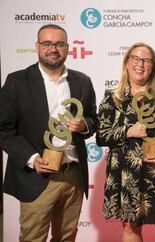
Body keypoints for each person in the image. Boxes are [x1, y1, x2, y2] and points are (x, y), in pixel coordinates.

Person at [0, 24, 97, 241]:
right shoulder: (17, 81)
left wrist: (83, 125)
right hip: (37, 175)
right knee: (33, 238)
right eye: (47, 43)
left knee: (67, 237)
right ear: (37, 46)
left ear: (67, 48)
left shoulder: (82, 81)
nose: (53, 48)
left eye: (59, 44)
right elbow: (4, 129)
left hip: (73, 175)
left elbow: (93, 120)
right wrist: (32, 158)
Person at [96, 42, 155, 242]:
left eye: (146, 60)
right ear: (127, 62)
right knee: (130, 231)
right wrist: (128, 131)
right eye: (136, 59)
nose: (141, 64)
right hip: (127, 175)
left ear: (153, 65)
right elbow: (101, 135)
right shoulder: (114, 95)